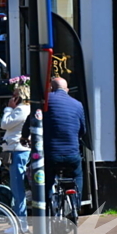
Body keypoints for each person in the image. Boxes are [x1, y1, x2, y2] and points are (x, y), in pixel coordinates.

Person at [43, 77, 88, 213]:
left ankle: (47, 209)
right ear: (67, 90)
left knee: (48, 178)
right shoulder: (77, 104)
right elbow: (83, 130)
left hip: (51, 154)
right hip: (71, 154)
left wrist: (25, 136)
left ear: (51, 88)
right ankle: (76, 205)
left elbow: (32, 120)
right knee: (77, 175)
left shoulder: (45, 101)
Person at [1, 81, 32, 232]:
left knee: (17, 187)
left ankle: (21, 223)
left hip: (17, 150)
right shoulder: (25, 109)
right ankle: (21, 221)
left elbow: (4, 124)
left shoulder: (21, 110)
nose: (12, 98)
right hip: (19, 150)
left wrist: (8, 108)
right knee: (18, 186)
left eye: (14, 95)